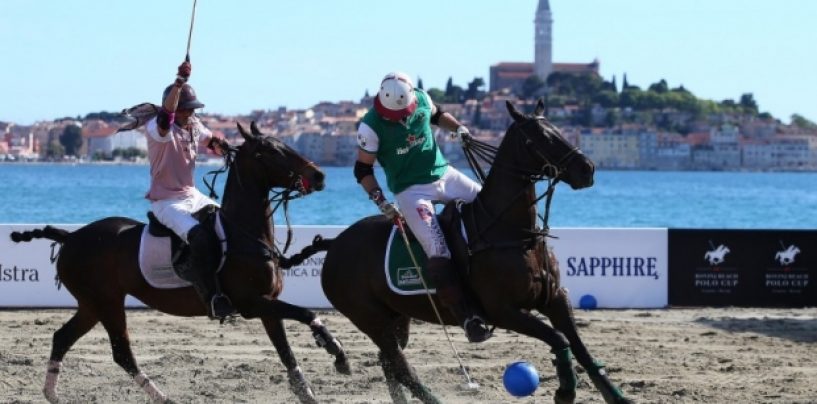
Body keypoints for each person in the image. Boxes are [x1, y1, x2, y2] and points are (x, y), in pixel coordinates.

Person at [354, 72, 492, 343]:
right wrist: (381, 201)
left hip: (445, 175)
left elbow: (438, 115)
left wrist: (459, 129)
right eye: (393, 116)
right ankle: (466, 317)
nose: (400, 119)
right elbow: (362, 170)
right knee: (437, 248)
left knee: (489, 207)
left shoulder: (421, 99)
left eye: (403, 113)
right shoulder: (369, 127)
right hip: (410, 191)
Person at [145, 60, 233, 320]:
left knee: (228, 223)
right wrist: (179, 82)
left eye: (192, 109)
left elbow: (212, 142)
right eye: (185, 109)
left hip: (192, 196)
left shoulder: (194, 125)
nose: (189, 113)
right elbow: (166, 116)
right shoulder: (158, 129)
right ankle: (212, 298)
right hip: (166, 202)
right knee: (200, 238)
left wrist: (228, 150)